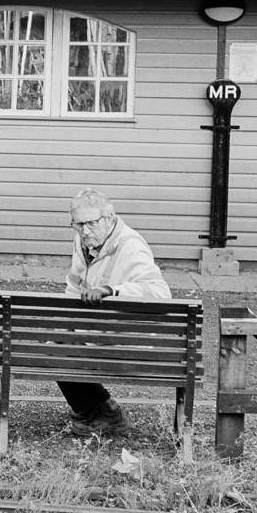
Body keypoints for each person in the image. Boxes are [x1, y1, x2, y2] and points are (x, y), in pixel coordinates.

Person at [61, 187, 172, 437]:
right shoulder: (83, 241)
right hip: (98, 331)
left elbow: (160, 293)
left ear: (109, 218)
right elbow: (74, 283)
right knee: (55, 340)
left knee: (59, 344)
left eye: (91, 223)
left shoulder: (131, 245)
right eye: (78, 224)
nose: (84, 231)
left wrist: (112, 290)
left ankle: (107, 412)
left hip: (127, 338)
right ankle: (95, 409)